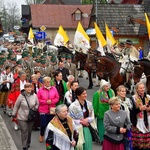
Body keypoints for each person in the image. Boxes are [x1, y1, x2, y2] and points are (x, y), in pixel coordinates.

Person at [12, 83, 39, 150]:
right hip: (22, 116)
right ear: (25, 88)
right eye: (27, 87)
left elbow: (37, 104)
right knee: (24, 131)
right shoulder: (21, 96)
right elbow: (16, 105)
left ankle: (28, 143)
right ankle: (24, 146)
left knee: (29, 131)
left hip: (31, 116)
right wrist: (14, 113)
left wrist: (35, 109)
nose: (29, 89)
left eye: (30, 87)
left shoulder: (34, 95)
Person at [37, 76, 59, 143]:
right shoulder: (40, 90)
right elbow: (38, 99)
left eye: (49, 81)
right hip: (43, 110)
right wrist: (46, 102)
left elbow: (57, 97)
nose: (48, 83)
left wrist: (52, 101)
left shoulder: (54, 89)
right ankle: (42, 134)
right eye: (47, 82)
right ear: (43, 83)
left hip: (52, 109)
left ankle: (50, 137)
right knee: (43, 124)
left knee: (51, 125)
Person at [130, 82, 150, 150]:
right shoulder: (133, 98)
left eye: (143, 88)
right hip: (138, 122)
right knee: (138, 144)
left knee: (147, 145)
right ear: (137, 89)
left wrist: (149, 109)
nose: (142, 89)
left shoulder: (148, 97)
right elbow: (131, 112)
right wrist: (139, 109)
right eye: (140, 88)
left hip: (147, 121)